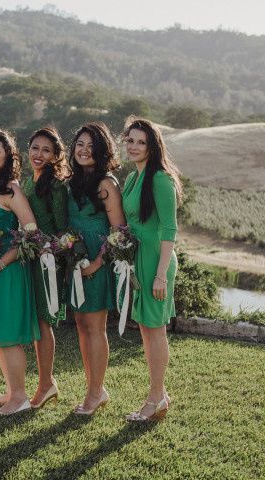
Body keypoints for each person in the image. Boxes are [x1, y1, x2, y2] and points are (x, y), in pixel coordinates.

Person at [0, 128, 40, 415]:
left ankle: (20, 398)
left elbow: (31, 232)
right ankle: (11, 392)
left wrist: (1, 263)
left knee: (9, 335)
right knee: (0, 333)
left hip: (9, 270)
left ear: (7, 155)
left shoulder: (10, 189)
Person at [121, 117, 181, 422]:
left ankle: (156, 397)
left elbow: (170, 228)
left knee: (155, 330)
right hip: (138, 259)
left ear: (152, 146)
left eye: (140, 142)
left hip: (156, 261)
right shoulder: (133, 178)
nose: (133, 146)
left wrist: (160, 275)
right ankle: (158, 395)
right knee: (145, 329)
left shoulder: (159, 179)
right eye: (130, 140)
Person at [67, 122, 124, 415]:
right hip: (74, 260)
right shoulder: (71, 181)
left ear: (101, 151)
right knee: (80, 325)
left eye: (91, 146)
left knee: (95, 328)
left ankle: (95, 392)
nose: (84, 151)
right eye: (80, 144)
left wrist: (97, 264)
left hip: (97, 261)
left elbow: (119, 231)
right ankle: (94, 388)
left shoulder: (107, 183)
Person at [24, 128, 70, 409]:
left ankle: (46, 383)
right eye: (35, 148)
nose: (39, 155)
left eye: (46, 150)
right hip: (29, 256)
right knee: (35, 322)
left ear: (55, 156)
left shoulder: (55, 186)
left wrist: (47, 248)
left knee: (44, 323)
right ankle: (42, 382)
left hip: (48, 260)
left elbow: (63, 229)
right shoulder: (28, 182)